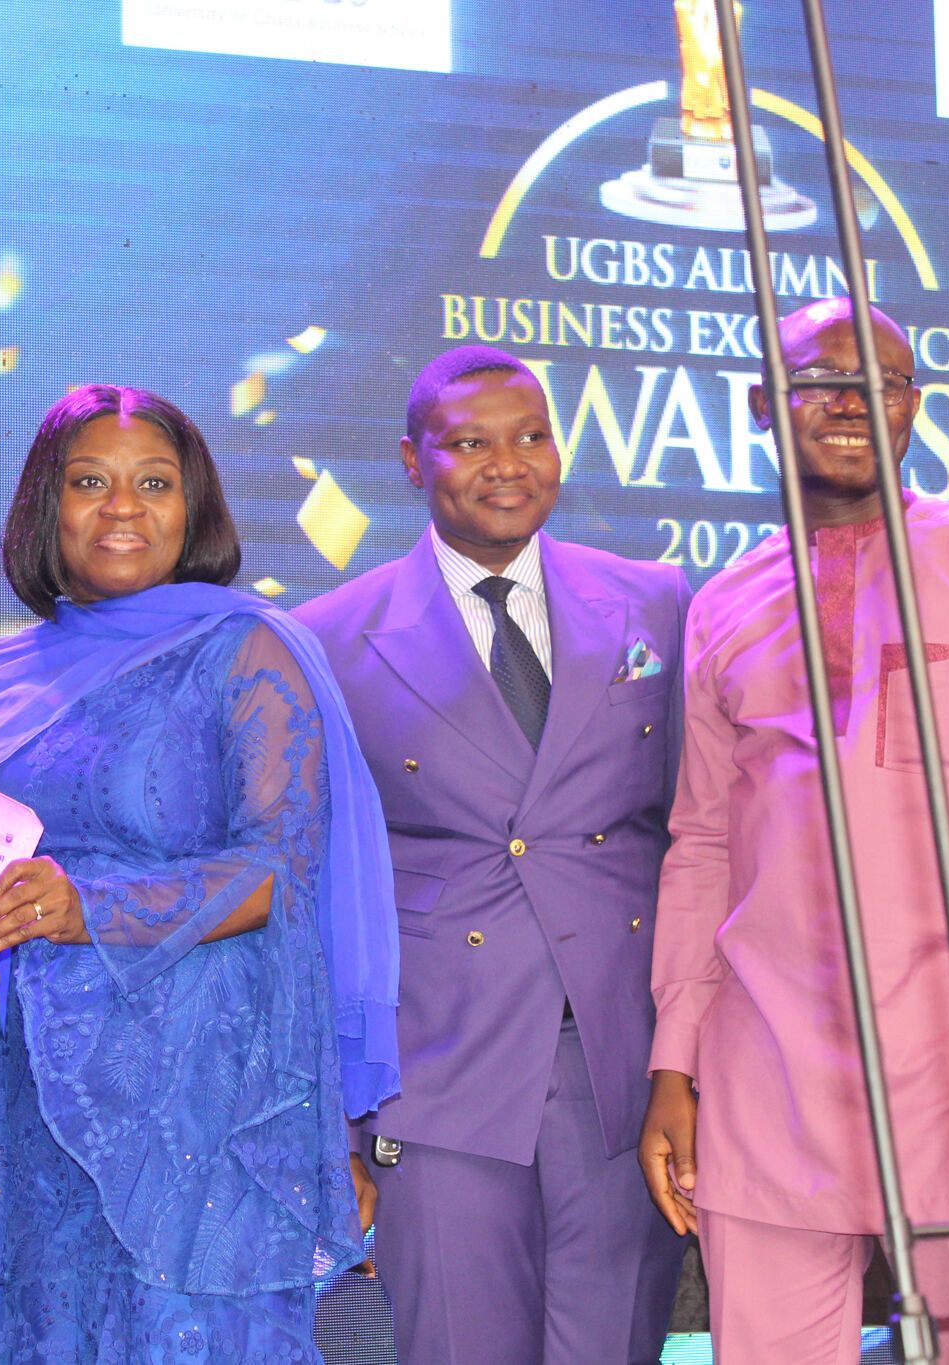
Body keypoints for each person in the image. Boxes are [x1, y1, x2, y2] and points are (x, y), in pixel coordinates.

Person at [0, 384, 400, 1364]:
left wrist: (85, 907)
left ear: (193, 508)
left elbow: (280, 870)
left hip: (193, 1110)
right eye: (90, 482)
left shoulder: (246, 647)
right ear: (45, 506)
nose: (123, 507)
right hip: (24, 1103)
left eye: (154, 483)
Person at [639, 299, 949, 1364]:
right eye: (822, 382)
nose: (855, 404)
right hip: (767, 1067)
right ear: (762, 405)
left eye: (884, 383)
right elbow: (703, 847)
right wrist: (675, 1061)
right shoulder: (722, 604)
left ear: (913, 406)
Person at [292, 345, 690, 1365]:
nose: (507, 464)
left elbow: (698, 835)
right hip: (436, 1070)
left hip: (620, 1064)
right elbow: (313, 893)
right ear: (412, 460)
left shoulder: (655, 602)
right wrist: (336, 1125)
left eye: (531, 437)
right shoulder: (329, 637)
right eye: (470, 443)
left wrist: (692, 1064)